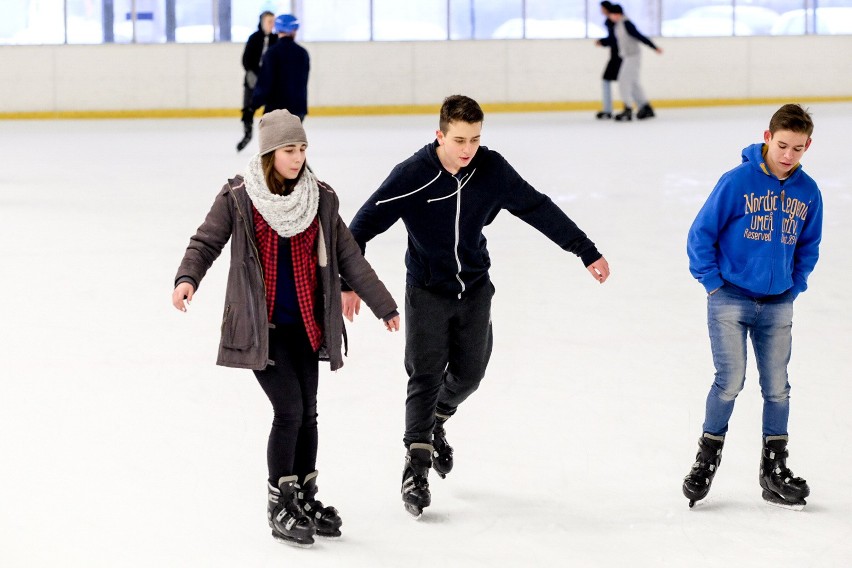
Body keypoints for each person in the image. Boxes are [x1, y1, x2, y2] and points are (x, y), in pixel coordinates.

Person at [340, 95, 610, 518]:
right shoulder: (413, 175)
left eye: (475, 139)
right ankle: (416, 466)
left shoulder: (491, 170)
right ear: (440, 135)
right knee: (425, 375)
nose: (468, 149)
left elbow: (536, 207)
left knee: (469, 374)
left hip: (475, 289)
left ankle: (436, 422)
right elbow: (362, 224)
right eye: (460, 140)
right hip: (427, 289)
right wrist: (346, 280)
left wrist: (584, 250)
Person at [172, 110, 400, 546]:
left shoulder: (320, 197)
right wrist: (187, 278)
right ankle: (280, 503)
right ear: (269, 153)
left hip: (307, 326)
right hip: (263, 327)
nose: (298, 158)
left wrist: (382, 304)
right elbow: (206, 241)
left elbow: (349, 255)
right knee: (289, 410)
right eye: (289, 150)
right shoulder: (239, 197)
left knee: (309, 414)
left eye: (302, 149)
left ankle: (304, 497)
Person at [682, 104, 822, 510]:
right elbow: (700, 234)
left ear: (807, 146)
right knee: (730, 382)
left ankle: (773, 468)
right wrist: (711, 284)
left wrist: (795, 285)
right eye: (782, 145)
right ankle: (706, 458)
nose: (788, 155)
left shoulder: (808, 191)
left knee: (778, 387)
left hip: (778, 302)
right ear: (767, 137)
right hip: (729, 297)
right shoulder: (737, 181)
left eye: (798, 148)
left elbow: (809, 245)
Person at [607, 5, 662, 121]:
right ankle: (645, 107)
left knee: (624, 81)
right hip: (627, 56)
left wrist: (653, 46)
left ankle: (627, 108)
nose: (609, 17)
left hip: (633, 56)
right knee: (634, 83)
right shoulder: (618, 25)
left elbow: (639, 36)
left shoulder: (626, 24)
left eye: (610, 14)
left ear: (616, 14)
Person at [252, 14, 310, 122]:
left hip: (275, 110)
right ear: (295, 30)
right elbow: (303, 81)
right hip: (297, 109)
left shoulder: (271, 53)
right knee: (293, 139)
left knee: (275, 139)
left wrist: (255, 103)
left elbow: (265, 82)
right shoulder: (302, 53)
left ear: (277, 29)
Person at [236, 10, 277, 152]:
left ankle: (272, 138)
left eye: (273, 21)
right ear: (262, 22)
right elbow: (246, 60)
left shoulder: (276, 39)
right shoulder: (254, 38)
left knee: (272, 111)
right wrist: (255, 75)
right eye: (269, 21)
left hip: (270, 81)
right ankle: (247, 133)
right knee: (248, 108)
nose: (272, 24)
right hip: (253, 79)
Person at [594, 1, 621, 120]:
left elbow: (615, 39)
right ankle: (608, 109)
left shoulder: (615, 21)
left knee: (625, 82)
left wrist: (603, 42)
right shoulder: (610, 21)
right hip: (617, 55)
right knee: (625, 81)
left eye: (602, 8)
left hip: (619, 55)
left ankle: (609, 110)